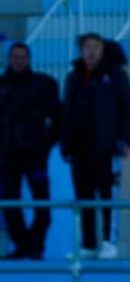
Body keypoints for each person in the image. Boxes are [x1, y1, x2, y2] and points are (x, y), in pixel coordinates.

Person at [61, 33, 130, 259]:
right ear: (81, 51)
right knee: (83, 197)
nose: (91, 51)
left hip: (108, 148)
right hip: (80, 150)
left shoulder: (116, 75)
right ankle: (88, 243)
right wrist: (66, 145)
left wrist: (126, 140)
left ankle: (109, 241)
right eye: (86, 47)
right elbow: (66, 113)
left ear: (103, 49)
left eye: (95, 46)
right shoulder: (74, 77)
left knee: (108, 196)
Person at [0, 42, 61, 259]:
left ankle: (36, 244)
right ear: (9, 59)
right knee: (9, 202)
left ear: (29, 59)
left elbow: (58, 118)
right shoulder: (1, 86)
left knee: (42, 202)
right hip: (7, 156)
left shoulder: (43, 84)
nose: (18, 60)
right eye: (15, 57)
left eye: (22, 56)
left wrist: (46, 143)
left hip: (36, 155)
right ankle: (23, 245)